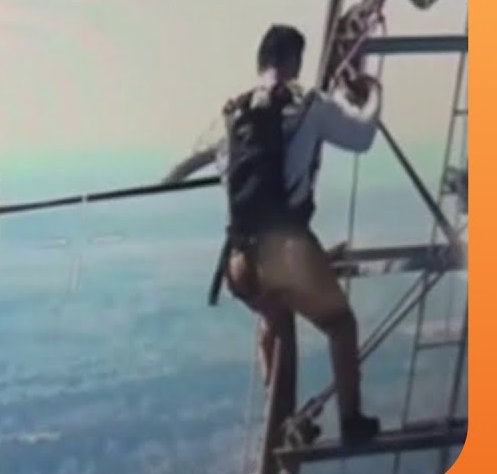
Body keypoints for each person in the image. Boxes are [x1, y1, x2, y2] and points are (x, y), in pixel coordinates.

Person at [163, 24, 383, 446]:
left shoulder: (232, 114)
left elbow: (183, 167)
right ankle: (352, 421)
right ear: (294, 61)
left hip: (239, 259)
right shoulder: (309, 106)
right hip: (286, 250)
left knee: (276, 320)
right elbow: (362, 137)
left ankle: (281, 424)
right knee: (341, 325)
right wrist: (372, 93)